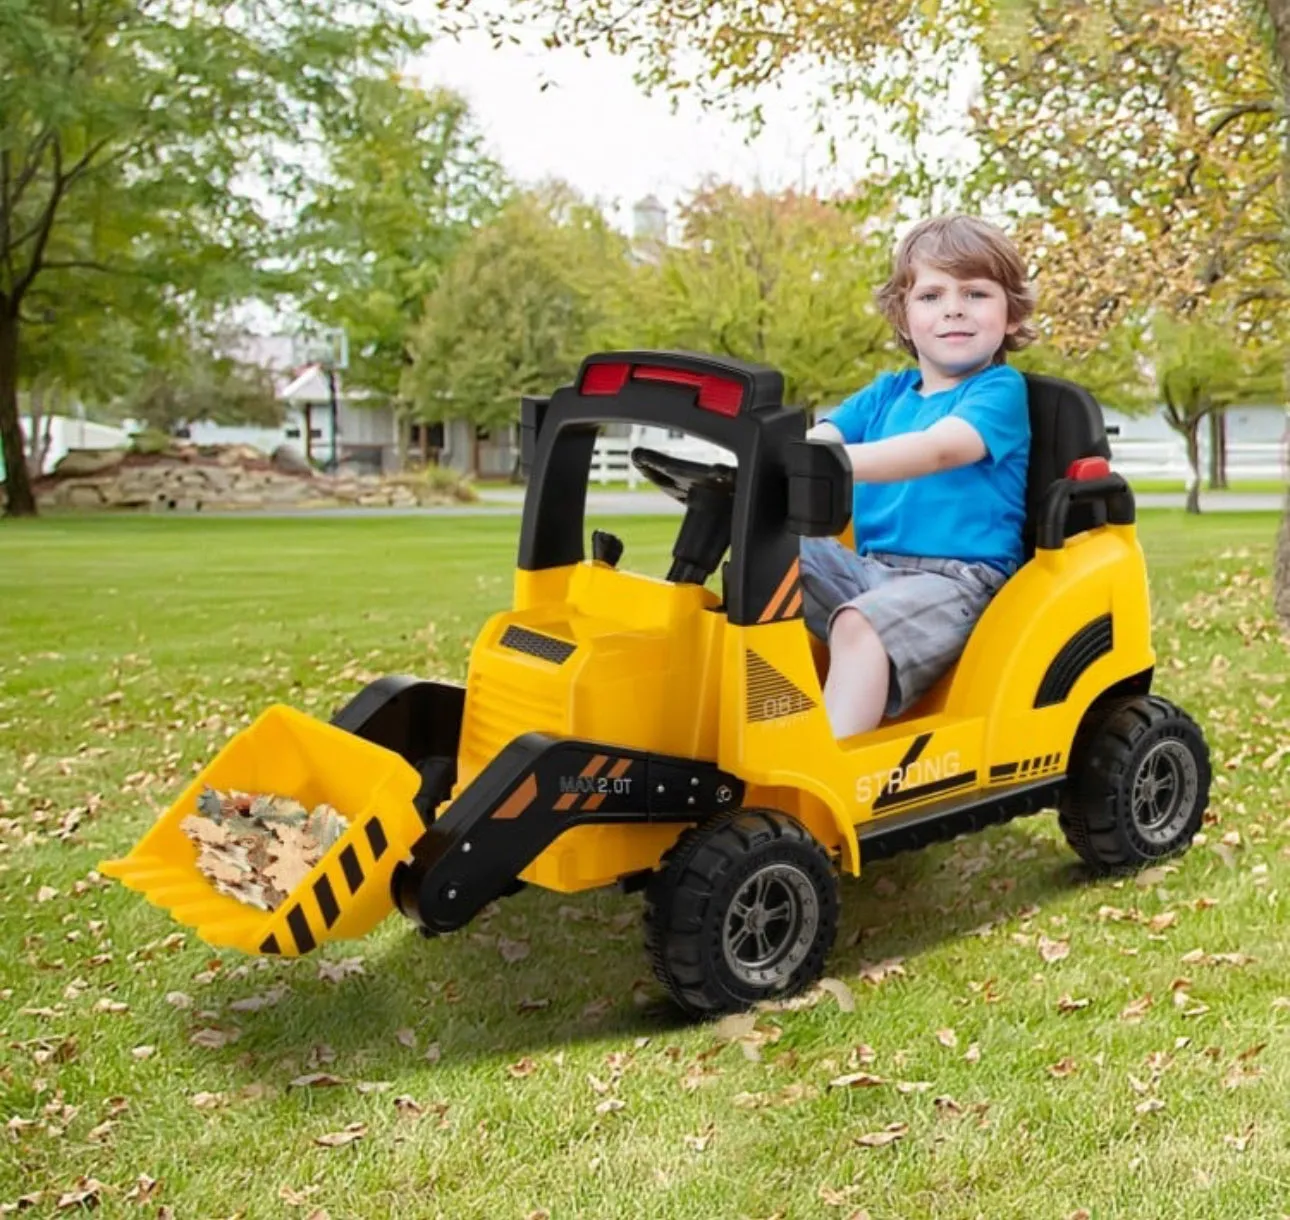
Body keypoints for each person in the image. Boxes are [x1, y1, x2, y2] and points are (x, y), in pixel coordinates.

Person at [801, 214, 1037, 741]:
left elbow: (938, 450)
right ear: (905, 319)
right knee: (766, 558)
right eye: (931, 296)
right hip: (871, 569)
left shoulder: (999, 390)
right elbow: (823, 439)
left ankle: (828, 778)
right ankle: (750, 720)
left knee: (861, 624)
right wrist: (768, 466)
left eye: (975, 293)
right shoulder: (887, 392)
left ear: (1012, 315)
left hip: (958, 581)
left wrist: (833, 466)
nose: (953, 307)